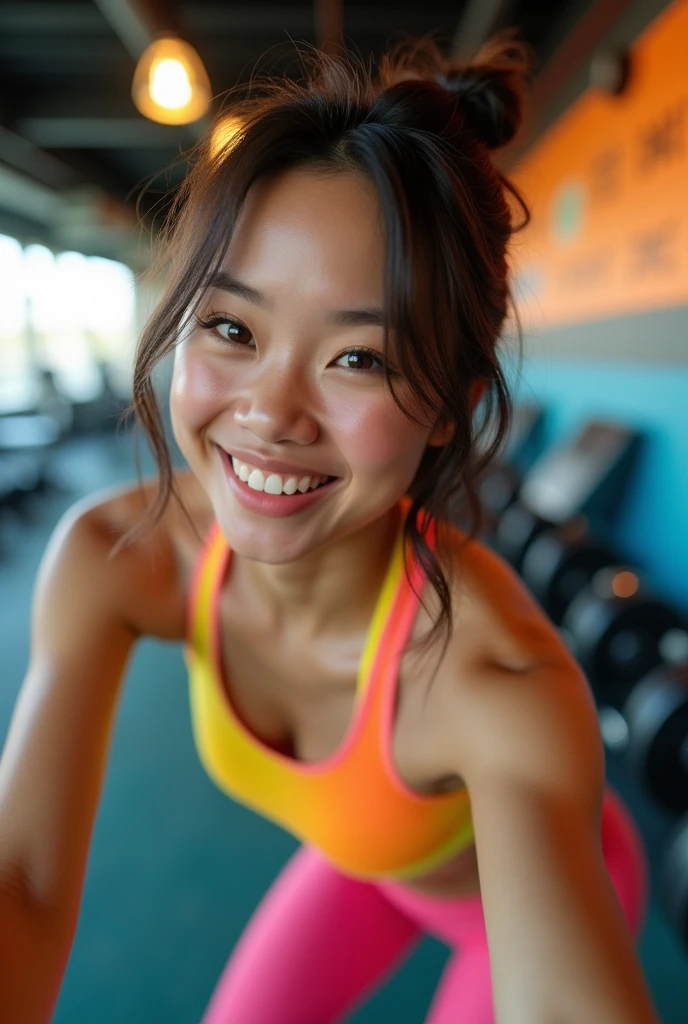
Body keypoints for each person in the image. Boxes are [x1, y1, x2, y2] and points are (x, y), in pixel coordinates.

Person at [0, 35, 659, 1024]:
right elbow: (25, 883)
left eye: (358, 358)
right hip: (372, 853)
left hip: (515, 891)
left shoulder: (497, 684)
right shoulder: (115, 556)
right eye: (231, 329)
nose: (271, 410)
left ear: (449, 405)